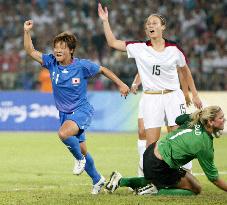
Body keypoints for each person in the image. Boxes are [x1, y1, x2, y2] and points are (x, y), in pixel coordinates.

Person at [24, 20, 130, 194]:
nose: (57, 50)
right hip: (64, 114)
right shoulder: (51, 62)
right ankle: (97, 179)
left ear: (71, 50)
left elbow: (103, 69)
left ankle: (78, 160)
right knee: (82, 149)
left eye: (62, 47)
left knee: (63, 133)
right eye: (56, 47)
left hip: (82, 111)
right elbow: (30, 51)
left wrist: (120, 84)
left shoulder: (82, 66)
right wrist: (27, 32)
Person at [98, 3, 202, 149]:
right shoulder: (139, 48)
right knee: (151, 143)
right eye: (148, 24)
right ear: (146, 30)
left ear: (163, 27)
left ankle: (182, 171)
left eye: (154, 23)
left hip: (173, 96)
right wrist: (105, 21)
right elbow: (113, 43)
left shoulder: (174, 49)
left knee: (178, 139)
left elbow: (185, 71)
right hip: (151, 98)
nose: (150, 25)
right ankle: (151, 170)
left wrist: (194, 94)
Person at [105, 106, 226, 196]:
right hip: (158, 164)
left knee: (193, 183)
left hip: (151, 152)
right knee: (195, 190)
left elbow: (178, 120)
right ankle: (154, 191)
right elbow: (214, 178)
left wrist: (194, 115)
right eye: (221, 118)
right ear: (210, 122)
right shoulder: (203, 144)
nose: (224, 120)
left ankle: (120, 180)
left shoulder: (196, 122)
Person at [131, 72, 192, 177]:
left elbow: (183, 71)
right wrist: (135, 84)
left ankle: (185, 171)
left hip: (170, 95)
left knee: (176, 135)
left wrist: (187, 93)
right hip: (150, 95)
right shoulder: (145, 55)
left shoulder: (175, 55)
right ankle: (144, 173)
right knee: (142, 132)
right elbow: (142, 69)